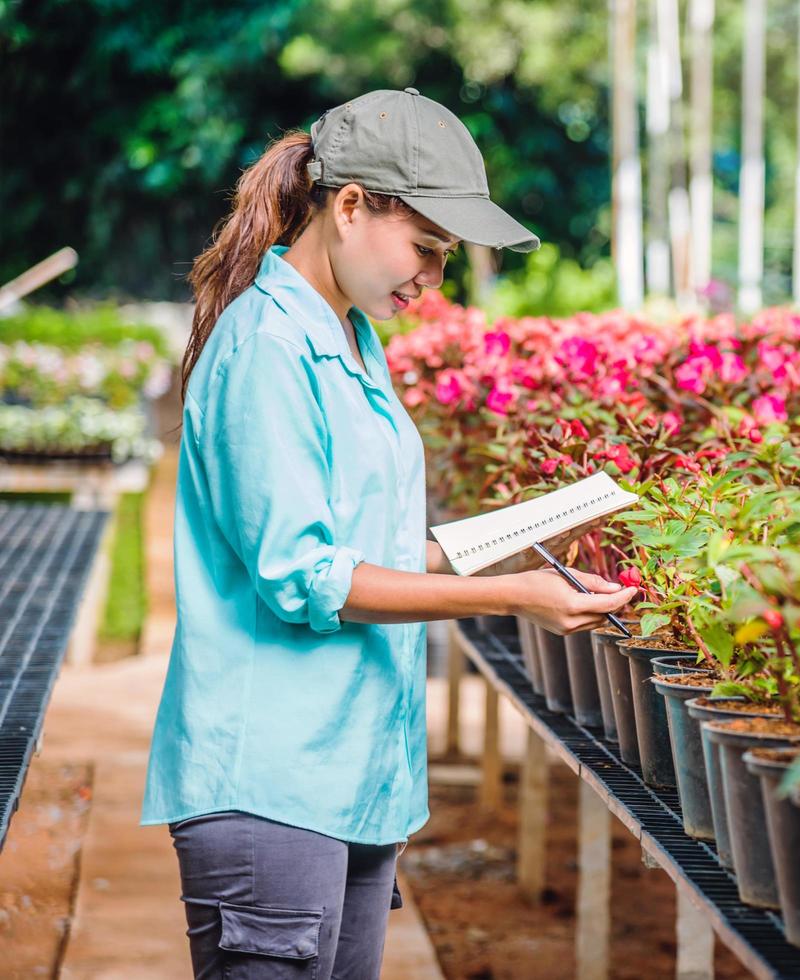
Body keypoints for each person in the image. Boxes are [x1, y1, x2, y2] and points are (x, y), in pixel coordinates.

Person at [141, 88, 638, 979]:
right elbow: (310, 578)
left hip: (354, 776)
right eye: (426, 249)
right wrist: (513, 599)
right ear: (349, 205)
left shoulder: (352, 339)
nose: (431, 281)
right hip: (272, 785)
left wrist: (539, 539)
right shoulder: (269, 348)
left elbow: (383, 547)